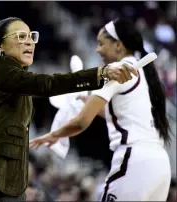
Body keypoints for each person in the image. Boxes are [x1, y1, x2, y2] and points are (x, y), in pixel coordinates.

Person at [0, 17, 138, 201]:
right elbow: (48, 83)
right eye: (20, 36)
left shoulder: (5, 74)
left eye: (31, 36)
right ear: (0, 46)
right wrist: (101, 73)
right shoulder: (1, 69)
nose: (29, 41)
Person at [29, 18, 171, 201]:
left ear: (118, 45)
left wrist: (54, 135)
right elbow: (121, 115)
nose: (97, 50)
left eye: (101, 44)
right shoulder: (144, 72)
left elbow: (81, 122)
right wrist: (87, 101)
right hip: (160, 165)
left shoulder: (117, 70)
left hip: (134, 160)